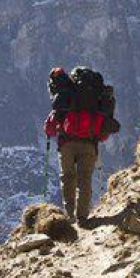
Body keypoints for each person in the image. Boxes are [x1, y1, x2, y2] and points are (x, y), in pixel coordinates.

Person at [44, 66, 118, 222]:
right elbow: (104, 133)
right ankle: (82, 216)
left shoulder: (67, 97)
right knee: (85, 179)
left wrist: (53, 131)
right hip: (89, 144)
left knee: (67, 178)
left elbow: (50, 127)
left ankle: (70, 215)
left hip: (67, 144)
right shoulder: (96, 101)